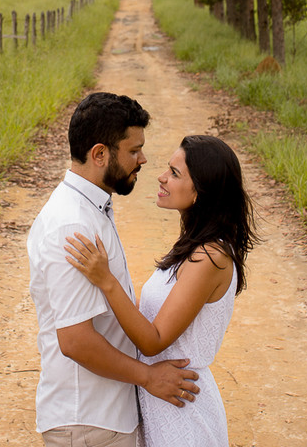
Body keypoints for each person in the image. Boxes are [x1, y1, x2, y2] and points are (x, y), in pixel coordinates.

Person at [27, 92, 200, 447]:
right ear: (100, 154)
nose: (143, 159)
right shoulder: (72, 225)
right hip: (88, 421)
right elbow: (75, 340)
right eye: (133, 150)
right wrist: (148, 377)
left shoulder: (91, 207)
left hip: (102, 416)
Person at [64, 134, 257, 447]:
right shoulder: (194, 247)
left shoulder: (210, 257)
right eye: (168, 168)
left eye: (176, 173)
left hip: (183, 408)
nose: (161, 176)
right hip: (165, 401)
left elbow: (153, 341)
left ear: (201, 193)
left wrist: (107, 280)